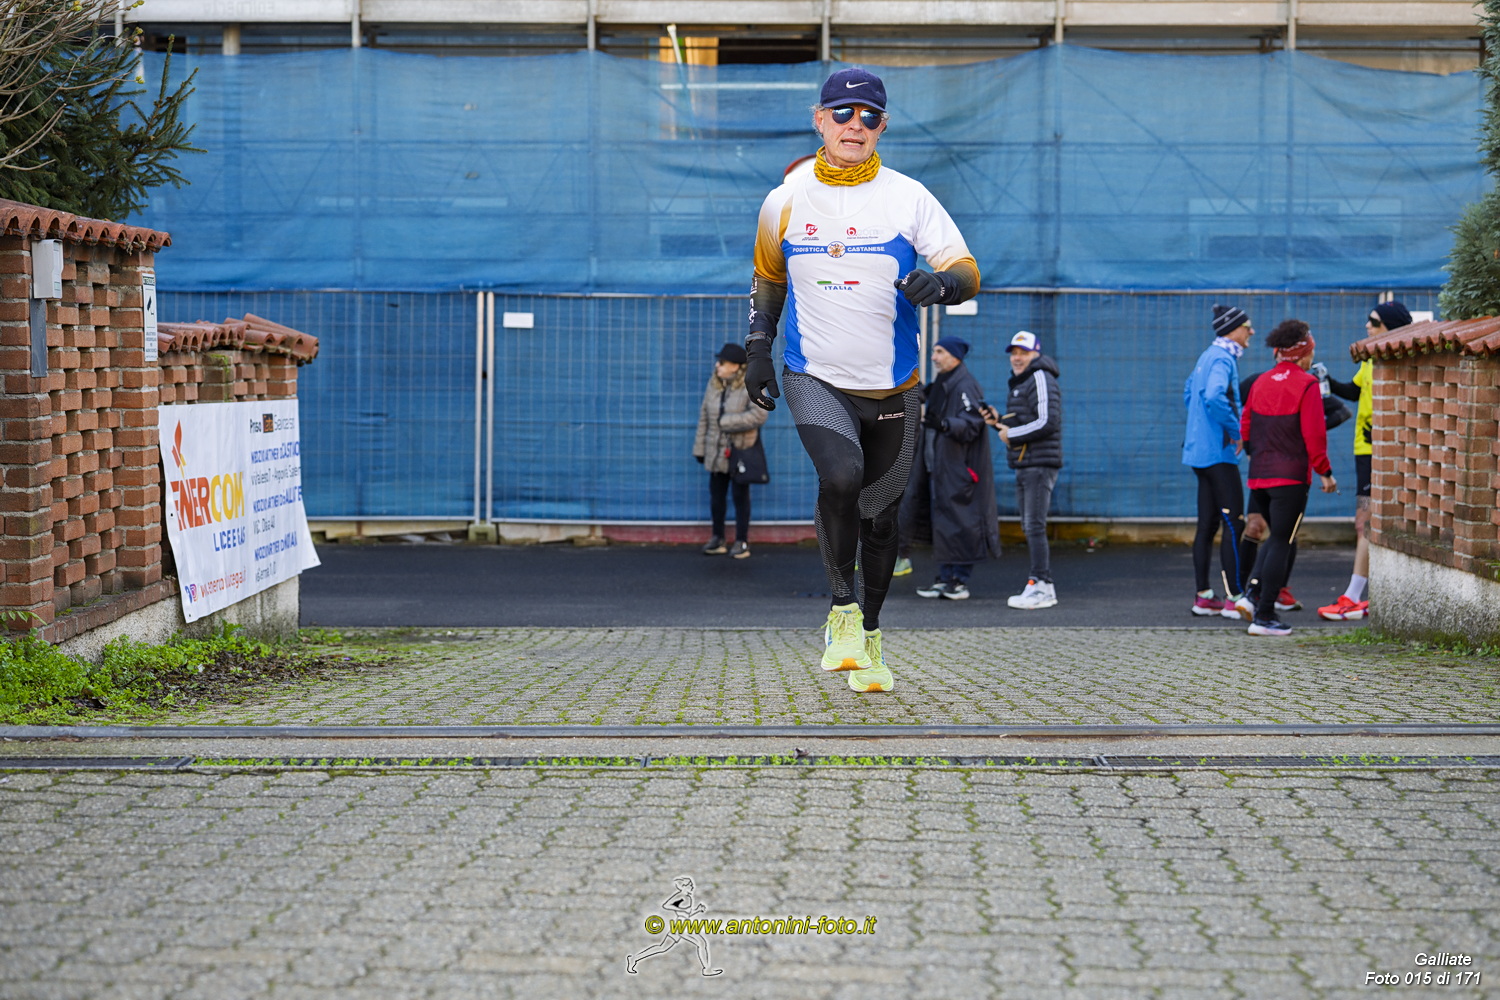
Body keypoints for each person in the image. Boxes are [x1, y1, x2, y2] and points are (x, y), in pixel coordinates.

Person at [742, 66, 980, 694]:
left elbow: (966, 269)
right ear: (820, 120)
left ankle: (870, 634)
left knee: (881, 516)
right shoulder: (784, 200)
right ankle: (842, 612)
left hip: (895, 385)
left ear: (883, 126)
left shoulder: (908, 196)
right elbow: (769, 278)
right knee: (842, 478)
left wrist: (943, 283)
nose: (856, 125)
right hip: (815, 375)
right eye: (843, 114)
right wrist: (758, 348)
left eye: (870, 116)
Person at [1240, 319, 1337, 636]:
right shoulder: (1307, 384)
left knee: (1275, 537)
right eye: (1311, 353)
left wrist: (1255, 455)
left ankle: (1252, 595)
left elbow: (1246, 424)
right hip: (1291, 478)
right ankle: (1265, 616)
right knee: (1283, 540)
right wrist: (1325, 472)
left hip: (1259, 475)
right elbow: (1314, 435)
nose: (1312, 359)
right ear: (1302, 354)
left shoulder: (1260, 381)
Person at [1318, 300, 1410, 621]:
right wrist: (1328, 381)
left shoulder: (1398, 361)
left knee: (1366, 522)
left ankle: (1353, 598)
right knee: (1366, 521)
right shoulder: (1371, 358)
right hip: (1364, 451)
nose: (1367, 326)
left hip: (1379, 452)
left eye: (1373, 321)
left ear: (1390, 328)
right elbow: (1355, 392)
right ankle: (1358, 596)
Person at [900, 337, 999, 601]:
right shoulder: (944, 382)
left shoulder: (965, 385)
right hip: (939, 469)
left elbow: (972, 423)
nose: (934, 357)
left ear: (955, 356)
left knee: (961, 524)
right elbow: (924, 395)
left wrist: (944, 424)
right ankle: (945, 578)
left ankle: (959, 581)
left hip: (958, 470)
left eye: (940, 352)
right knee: (944, 524)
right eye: (934, 352)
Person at [1182, 304, 1256, 621]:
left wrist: (1200, 426)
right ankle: (1234, 598)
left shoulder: (1207, 355)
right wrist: (1235, 431)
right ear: (1232, 329)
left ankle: (1203, 597)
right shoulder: (1224, 358)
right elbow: (1213, 396)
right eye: (1247, 327)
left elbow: (1190, 392)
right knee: (1233, 523)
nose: (1252, 332)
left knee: (1207, 525)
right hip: (1218, 454)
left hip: (1198, 452)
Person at [984, 330, 1062, 610]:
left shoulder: (1040, 376)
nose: (1017, 358)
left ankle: (1042, 585)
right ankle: (1040, 584)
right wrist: (998, 422)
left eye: (1023, 353)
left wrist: (1011, 434)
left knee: (1034, 526)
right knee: (1031, 526)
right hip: (1027, 463)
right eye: (1014, 353)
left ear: (1036, 354)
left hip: (1039, 465)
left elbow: (1048, 421)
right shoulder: (1025, 380)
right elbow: (1025, 421)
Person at [693, 342, 769, 559]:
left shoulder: (751, 385)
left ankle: (741, 541)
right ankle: (718, 539)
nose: (717, 366)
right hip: (716, 451)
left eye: (722, 362)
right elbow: (704, 416)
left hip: (739, 452)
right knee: (716, 496)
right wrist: (700, 449)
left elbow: (760, 414)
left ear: (736, 366)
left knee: (740, 497)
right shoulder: (714, 384)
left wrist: (727, 422)